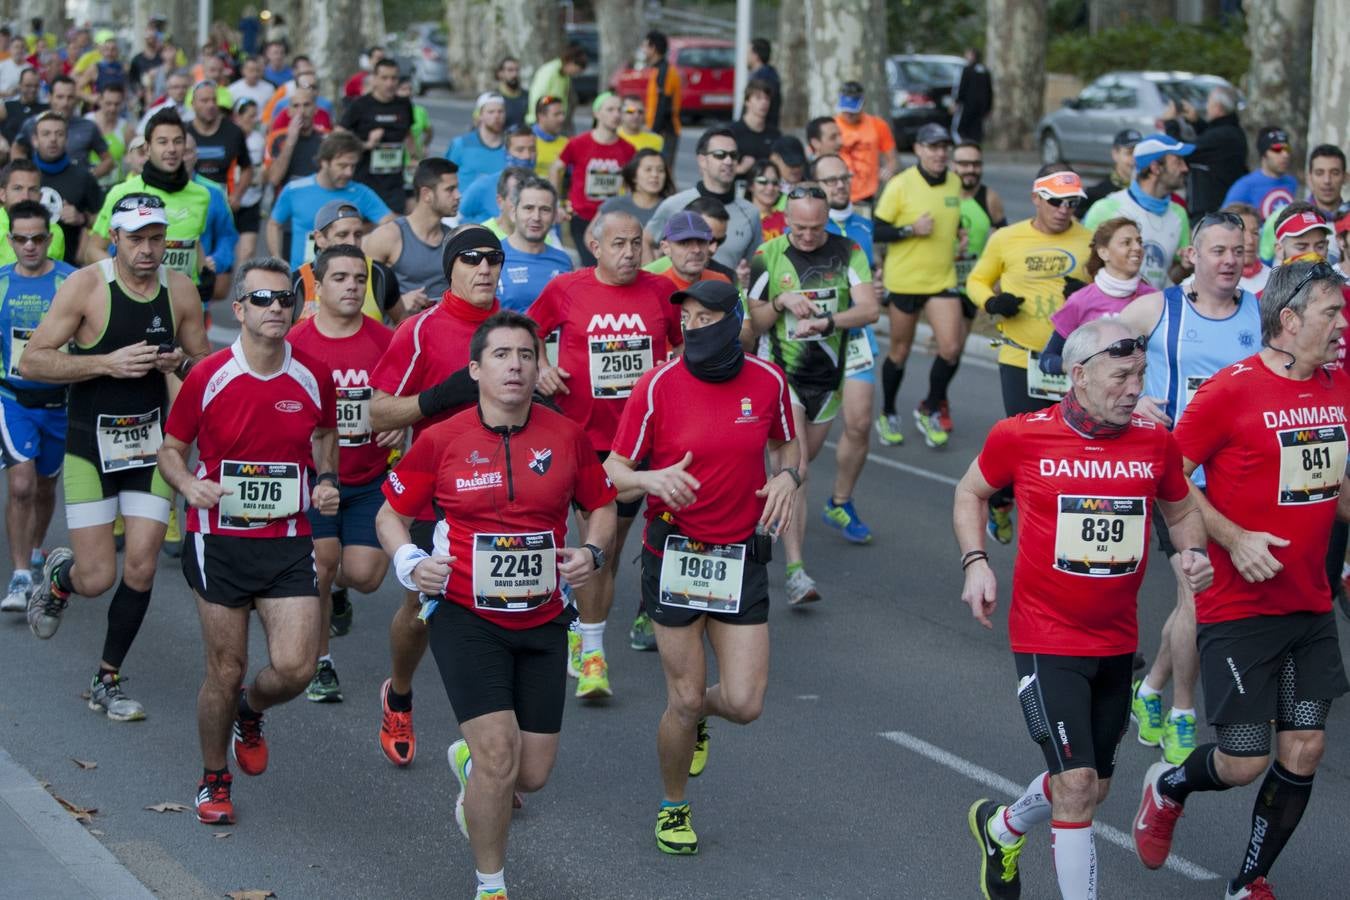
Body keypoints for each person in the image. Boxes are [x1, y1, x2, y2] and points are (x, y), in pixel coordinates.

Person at [956, 318, 1211, 900]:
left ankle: (1002, 827)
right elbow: (970, 490)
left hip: (1117, 640)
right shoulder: (1022, 435)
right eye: (1121, 375)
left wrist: (1193, 553)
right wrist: (975, 561)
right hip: (1046, 636)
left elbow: (1180, 510)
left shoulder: (1154, 442)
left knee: (1091, 788)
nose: (1134, 388)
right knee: (1074, 786)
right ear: (1078, 375)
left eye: (1140, 374)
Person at [376, 309, 616, 900]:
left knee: (528, 775)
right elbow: (391, 515)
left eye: (527, 355)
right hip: (465, 615)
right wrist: (410, 563)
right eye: (503, 356)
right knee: (498, 754)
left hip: (542, 618)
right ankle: (491, 884)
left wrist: (592, 551)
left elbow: (602, 505)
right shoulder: (441, 438)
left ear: (540, 368)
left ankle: (471, 766)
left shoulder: (566, 435)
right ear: (476, 369)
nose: (515, 366)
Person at [1133, 261, 1350, 900]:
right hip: (1239, 606)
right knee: (1244, 761)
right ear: (1289, 320)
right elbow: (1171, 482)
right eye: (1332, 313)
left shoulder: (1340, 386)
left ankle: (1249, 880)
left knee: (1305, 747)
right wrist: (1235, 538)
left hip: (1308, 603)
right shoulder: (1231, 390)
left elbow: (1330, 487)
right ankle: (1168, 785)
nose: (1343, 325)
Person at [604, 278, 798, 855]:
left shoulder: (768, 382)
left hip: (741, 554)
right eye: (686, 317)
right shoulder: (658, 385)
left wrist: (788, 475)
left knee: (743, 703)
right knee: (682, 698)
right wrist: (649, 479)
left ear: (735, 320)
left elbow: (789, 445)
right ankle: (673, 805)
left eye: (706, 317)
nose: (693, 326)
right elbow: (613, 467)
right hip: (675, 552)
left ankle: (700, 717)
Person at [156, 256, 338, 825]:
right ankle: (214, 780)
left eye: (285, 299)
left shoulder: (313, 375)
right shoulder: (209, 374)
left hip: (287, 539)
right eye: (262, 299)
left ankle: (251, 712)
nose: (276, 308)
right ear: (238, 310)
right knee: (226, 667)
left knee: (296, 669)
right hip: (219, 540)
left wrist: (326, 480)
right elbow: (170, 449)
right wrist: (189, 484)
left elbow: (325, 434)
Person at [20, 192, 209, 721]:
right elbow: (34, 360)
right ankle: (62, 578)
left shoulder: (180, 290)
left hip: (152, 446)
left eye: (157, 239)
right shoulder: (85, 286)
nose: (149, 250)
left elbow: (204, 368)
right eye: (137, 239)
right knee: (97, 577)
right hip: (89, 447)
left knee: (143, 565)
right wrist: (105, 363)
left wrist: (180, 363)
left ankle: (108, 678)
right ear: (116, 240)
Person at [1118, 211, 1261, 767]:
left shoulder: (1261, 312)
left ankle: (1149, 687)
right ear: (1193, 257)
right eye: (1218, 250)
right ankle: (1181, 714)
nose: (1229, 260)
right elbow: (1084, 351)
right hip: (1177, 477)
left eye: (1238, 251)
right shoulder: (1159, 308)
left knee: (1198, 597)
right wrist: (1136, 392)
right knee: (1198, 592)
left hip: (1239, 477)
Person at [528, 210, 683, 695]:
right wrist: (543, 367)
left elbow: (681, 345)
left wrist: (671, 367)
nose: (630, 253)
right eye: (619, 243)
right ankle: (592, 653)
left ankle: (579, 620)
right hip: (584, 439)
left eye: (636, 243)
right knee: (597, 543)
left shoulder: (661, 292)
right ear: (595, 246)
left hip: (640, 442)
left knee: (607, 549)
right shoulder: (567, 288)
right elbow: (528, 329)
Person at [368, 224, 507, 766]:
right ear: (450, 267)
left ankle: (491, 753)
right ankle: (398, 692)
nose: (484, 268)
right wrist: (435, 398)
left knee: (498, 616)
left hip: (505, 491)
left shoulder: (515, 330)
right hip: (437, 493)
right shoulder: (421, 330)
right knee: (423, 610)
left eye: (494, 259)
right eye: (471, 258)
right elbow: (377, 411)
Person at [746, 186, 879, 606]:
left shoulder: (847, 250)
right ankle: (796, 572)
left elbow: (870, 309)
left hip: (828, 378)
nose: (806, 235)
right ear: (786, 221)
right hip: (781, 374)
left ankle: (760, 505)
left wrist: (826, 322)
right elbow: (755, 319)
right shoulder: (768, 255)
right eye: (799, 228)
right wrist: (781, 301)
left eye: (815, 227)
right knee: (796, 466)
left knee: (800, 464)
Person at [286, 245, 396, 702]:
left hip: (369, 477)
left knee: (365, 575)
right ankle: (321, 663)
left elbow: (406, 395)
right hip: (314, 482)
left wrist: (402, 426)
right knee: (322, 564)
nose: (352, 286)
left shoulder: (386, 339)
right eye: (340, 278)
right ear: (319, 284)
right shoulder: (295, 343)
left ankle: (336, 595)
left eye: (359, 278)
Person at [966, 166, 1093, 544]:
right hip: (1021, 357)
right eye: (1055, 201)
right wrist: (992, 301)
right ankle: (1001, 498)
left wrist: (1085, 293)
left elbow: (1108, 290)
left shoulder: (1088, 241)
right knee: (1024, 441)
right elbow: (976, 280)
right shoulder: (1007, 238)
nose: (1063, 209)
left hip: (1072, 360)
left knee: (1069, 444)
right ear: (1036, 198)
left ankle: (1052, 522)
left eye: (1071, 202)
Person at [0, 201, 75, 613]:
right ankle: (19, 575)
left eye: (38, 238)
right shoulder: (1, 282)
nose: (29, 246)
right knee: (22, 484)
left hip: (60, 403)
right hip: (13, 399)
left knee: (46, 485)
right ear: (10, 240)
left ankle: (32, 550)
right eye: (21, 238)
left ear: (50, 238)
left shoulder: (71, 281)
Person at [873, 123, 964, 449]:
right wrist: (911, 229)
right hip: (905, 279)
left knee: (952, 348)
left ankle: (929, 406)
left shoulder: (955, 182)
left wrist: (960, 234)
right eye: (933, 147)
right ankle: (888, 412)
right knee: (900, 351)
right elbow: (877, 230)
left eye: (944, 147)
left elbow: (952, 218)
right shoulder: (900, 184)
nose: (940, 153)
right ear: (919, 150)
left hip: (942, 279)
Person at [814, 153, 880, 544]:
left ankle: (840, 500)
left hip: (855, 338)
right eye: (830, 180)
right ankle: (773, 501)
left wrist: (876, 290)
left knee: (858, 424)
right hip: (807, 343)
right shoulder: (805, 227)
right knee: (803, 448)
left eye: (844, 178)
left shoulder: (864, 226)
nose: (839, 185)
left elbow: (871, 275)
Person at [91, 108, 214, 299]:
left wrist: (204, 271)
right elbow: (93, 249)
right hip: (138, 297)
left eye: (177, 141)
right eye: (162, 142)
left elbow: (193, 240)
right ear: (148, 148)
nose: (171, 149)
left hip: (184, 298)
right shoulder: (122, 192)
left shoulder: (201, 195)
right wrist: (123, 280)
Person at [1039, 217, 1153, 375]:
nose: (1137, 248)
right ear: (1103, 252)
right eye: (1126, 243)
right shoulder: (1080, 300)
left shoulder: (1154, 299)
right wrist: (1079, 368)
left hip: (1140, 396)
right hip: (1091, 397)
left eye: (1139, 242)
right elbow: (1046, 360)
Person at [267, 131, 393, 271]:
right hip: (304, 278)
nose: (349, 173)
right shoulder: (294, 190)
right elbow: (274, 224)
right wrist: (277, 257)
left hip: (346, 278)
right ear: (324, 162)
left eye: (353, 166)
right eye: (342, 166)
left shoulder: (361, 193)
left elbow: (390, 224)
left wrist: (362, 235)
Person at [1083, 133, 1193, 289]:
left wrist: (1184, 266)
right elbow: (1087, 269)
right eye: (1177, 161)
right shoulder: (1106, 208)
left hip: (1157, 309)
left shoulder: (1179, 213)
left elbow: (1168, 277)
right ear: (1156, 168)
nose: (1185, 168)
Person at [646, 128, 762, 272]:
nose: (728, 161)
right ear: (702, 160)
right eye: (720, 155)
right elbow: (646, 240)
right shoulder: (674, 205)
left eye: (733, 155)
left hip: (726, 292)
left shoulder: (751, 213)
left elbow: (756, 264)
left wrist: (743, 284)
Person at [363, 157, 459, 314]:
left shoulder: (453, 239)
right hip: (399, 333)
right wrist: (398, 303)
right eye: (450, 189)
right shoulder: (388, 236)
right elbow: (363, 297)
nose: (458, 195)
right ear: (426, 194)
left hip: (442, 332)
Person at [551, 92, 634, 268]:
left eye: (619, 110)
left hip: (611, 216)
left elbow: (631, 182)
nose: (616, 114)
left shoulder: (628, 148)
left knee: (611, 265)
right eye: (610, 109)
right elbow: (556, 168)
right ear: (597, 113)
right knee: (592, 264)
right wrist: (557, 203)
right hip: (582, 215)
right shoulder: (578, 143)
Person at [292, 200, 401, 324]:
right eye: (342, 235)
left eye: (358, 235)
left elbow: (403, 321)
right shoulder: (298, 281)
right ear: (320, 239)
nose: (352, 243)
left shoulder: (380, 274)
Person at [340, 57, 417, 213]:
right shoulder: (360, 105)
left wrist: (414, 158)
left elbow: (408, 135)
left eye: (394, 78)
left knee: (394, 228)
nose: (389, 83)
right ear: (374, 79)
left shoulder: (404, 105)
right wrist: (366, 144)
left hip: (395, 183)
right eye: (384, 78)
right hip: (365, 182)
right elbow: (339, 138)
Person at [30, 112, 104, 266]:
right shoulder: (21, 176)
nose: (53, 139)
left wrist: (82, 218)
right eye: (46, 134)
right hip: (22, 266)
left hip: (69, 268)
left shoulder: (83, 177)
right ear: (35, 140)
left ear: (67, 139)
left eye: (59, 134)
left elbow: (105, 220)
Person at [1165, 86, 1246, 219]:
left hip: (1212, 211)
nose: (1206, 107)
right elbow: (1209, 145)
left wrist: (1170, 123)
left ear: (1218, 107)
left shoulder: (1223, 136)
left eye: (1209, 103)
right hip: (1218, 206)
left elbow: (1183, 151)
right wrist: (1197, 122)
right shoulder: (1232, 131)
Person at [1258, 144, 1346, 265]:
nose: (1327, 180)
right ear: (1309, 178)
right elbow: (1264, 267)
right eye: (1319, 173)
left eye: (1335, 173)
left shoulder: (1348, 218)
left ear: (1345, 177)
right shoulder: (1279, 217)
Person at [13, 76, 112, 177]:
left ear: (76, 99)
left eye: (70, 97)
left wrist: (88, 178)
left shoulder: (88, 127)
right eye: (60, 97)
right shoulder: (33, 123)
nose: (65, 103)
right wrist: (23, 173)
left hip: (75, 187)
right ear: (50, 97)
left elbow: (108, 160)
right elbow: (17, 148)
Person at [499, 176, 571, 313]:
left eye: (545, 209)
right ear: (514, 213)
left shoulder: (564, 261)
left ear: (555, 215)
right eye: (529, 208)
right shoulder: (493, 257)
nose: (536, 217)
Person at [186, 80, 252, 216]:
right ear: (193, 104)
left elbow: (247, 168)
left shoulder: (233, 132)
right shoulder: (183, 132)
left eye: (213, 100)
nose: (210, 105)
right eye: (204, 101)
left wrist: (237, 195)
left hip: (223, 205)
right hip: (190, 205)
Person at [834, 81, 897, 209]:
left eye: (853, 110)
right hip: (837, 192)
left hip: (867, 195)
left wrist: (889, 170)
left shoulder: (878, 125)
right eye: (845, 110)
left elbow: (893, 160)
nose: (849, 114)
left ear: (863, 104)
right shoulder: (831, 126)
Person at [459, 126, 533, 225]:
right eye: (520, 150)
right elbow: (458, 215)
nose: (527, 156)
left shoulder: (542, 187)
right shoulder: (484, 185)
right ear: (506, 153)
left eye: (532, 149)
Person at [1222, 127, 1297, 222]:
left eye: (1287, 148)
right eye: (1277, 149)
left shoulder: (1292, 182)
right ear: (1264, 154)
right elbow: (1224, 220)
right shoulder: (1244, 185)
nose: (1285, 154)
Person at [0, 160, 66, 266]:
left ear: (40, 197)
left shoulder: (54, 232)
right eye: (18, 188)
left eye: (32, 190)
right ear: (2, 194)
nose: (25, 197)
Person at [597, 148, 672, 233]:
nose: (655, 175)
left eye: (660, 170)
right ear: (634, 176)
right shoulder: (613, 205)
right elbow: (590, 235)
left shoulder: (671, 210)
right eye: (648, 169)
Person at [263, 86, 325, 190]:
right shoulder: (276, 138)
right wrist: (290, 141)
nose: (302, 111)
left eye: (307, 105)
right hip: (289, 200)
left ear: (315, 109)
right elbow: (274, 179)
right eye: (296, 106)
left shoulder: (326, 138)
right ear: (289, 112)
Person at [448, 92, 507, 197]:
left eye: (500, 112)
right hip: (464, 211)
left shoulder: (511, 147)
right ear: (480, 115)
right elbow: (445, 177)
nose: (497, 116)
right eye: (491, 112)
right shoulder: (461, 144)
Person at [1080, 130, 1142, 219]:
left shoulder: (1150, 192)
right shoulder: (1097, 194)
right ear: (1115, 154)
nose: (1135, 159)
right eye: (1129, 153)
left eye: (1139, 152)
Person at [85, 82, 134, 191]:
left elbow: (134, 160)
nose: (112, 108)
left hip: (116, 188)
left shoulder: (126, 129)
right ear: (100, 100)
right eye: (108, 103)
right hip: (89, 187)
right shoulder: (87, 122)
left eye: (117, 104)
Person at [643, 31, 681, 170]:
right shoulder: (657, 70)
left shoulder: (666, 71)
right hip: (657, 130)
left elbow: (663, 104)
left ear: (653, 48)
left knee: (663, 171)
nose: (643, 50)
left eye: (645, 46)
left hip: (665, 131)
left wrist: (654, 130)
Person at [526, 43, 587, 126]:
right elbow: (538, 96)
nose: (576, 74)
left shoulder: (566, 76)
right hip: (539, 121)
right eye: (576, 70)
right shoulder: (549, 71)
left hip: (554, 120)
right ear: (570, 62)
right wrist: (543, 114)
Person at [730, 80, 779, 176]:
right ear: (747, 101)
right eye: (758, 98)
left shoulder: (775, 134)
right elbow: (717, 169)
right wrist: (740, 169)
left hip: (767, 188)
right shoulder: (732, 132)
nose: (764, 102)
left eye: (767, 98)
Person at [952, 47, 993, 143]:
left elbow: (962, 87)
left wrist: (957, 101)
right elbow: (989, 90)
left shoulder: (967, 70)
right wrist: (988, 107)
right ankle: (974, 143)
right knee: (976, 128)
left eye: (968, 54)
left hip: (968, 105)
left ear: (973, 56)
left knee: (962, 128)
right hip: (981, 106)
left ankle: (965, 144)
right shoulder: (985, 70)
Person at [1, 67, 47, 145]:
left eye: (36, 86)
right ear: (20, 85)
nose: (32, 89)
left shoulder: (45, 109)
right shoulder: (8, 107)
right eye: (28, 86)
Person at [745, 159, 785, 240]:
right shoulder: (743, 220)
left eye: (775, 182)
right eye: (762, 181)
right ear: (750, 185)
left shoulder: (787, 219)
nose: (770, 188)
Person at [531, 95, 568, 181]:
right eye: (556, 114)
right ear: (541, 116)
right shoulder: (525, 140)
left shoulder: (567, 143)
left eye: (563, 114)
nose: (562, 118)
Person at [747, 37, 780, 131]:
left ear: (756, 55)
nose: (746, 56)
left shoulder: (764, 78)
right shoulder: (767, 74)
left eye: (749, 53)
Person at [496, 57, 526, 129]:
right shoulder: (492, 97)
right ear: (500, 73)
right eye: (510, 70)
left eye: (517, 70)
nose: (514, 74)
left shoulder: (527, 96)